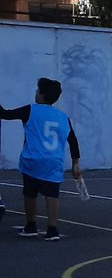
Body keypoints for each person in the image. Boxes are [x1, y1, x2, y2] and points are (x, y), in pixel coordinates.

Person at [0, 76, 82, 241]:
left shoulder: (31, 110)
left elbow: (5, 114)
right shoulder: (62, 117)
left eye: (38, 91)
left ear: (42, 95)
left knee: (30, 193)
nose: (36, 93)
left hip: (33, 160)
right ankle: (52, 230)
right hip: (54, 161)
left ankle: (31, 226)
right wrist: (75, 164)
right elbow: (73, 141)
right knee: (52, 194)